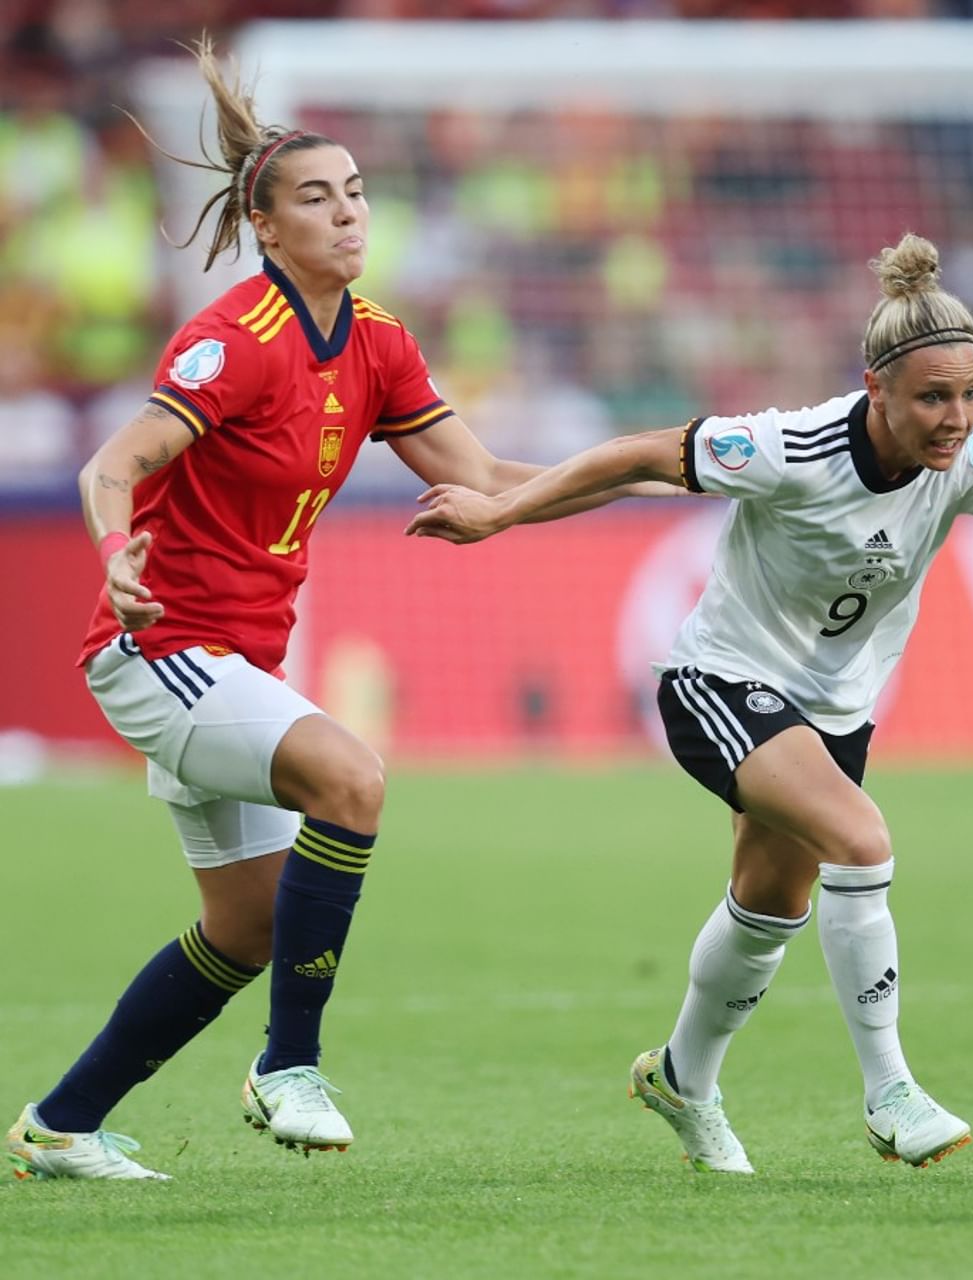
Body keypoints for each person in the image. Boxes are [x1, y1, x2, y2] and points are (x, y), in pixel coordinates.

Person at [406, 232, 973, 1173]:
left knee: (766, 910)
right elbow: (637, 457)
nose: (955, 417)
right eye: (932, 397)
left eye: (970, 395)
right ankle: (890, 1092)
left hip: (834, 712)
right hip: (719, 683)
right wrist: (501, 509)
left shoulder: (970, 456)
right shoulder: (789, 446)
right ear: (875, 390)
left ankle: (682, 1080)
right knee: (862, 839)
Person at [5, 38, 655, 1184]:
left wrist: (661, 469)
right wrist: (114, 555)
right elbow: (112, 462)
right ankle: (287, 1065)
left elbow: (492, 475)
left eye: (355, 192)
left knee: (248, 926)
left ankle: (61, 1122)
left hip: (233, 661)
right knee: (352, 775)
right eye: (317, 197)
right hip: (158, 647)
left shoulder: (377, 342)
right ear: (267, 225)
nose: (347, 214)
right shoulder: (230, 343)